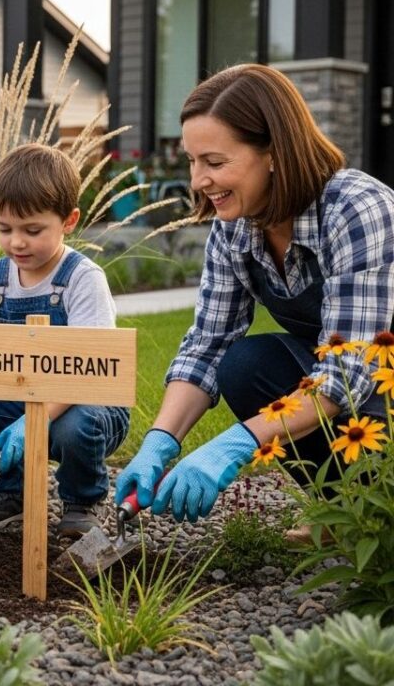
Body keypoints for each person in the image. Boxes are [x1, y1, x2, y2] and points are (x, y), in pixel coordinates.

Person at [115, 63, 394, 531]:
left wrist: (237, 443)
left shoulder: (355, 208)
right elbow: (209, 344)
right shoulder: (236, 228)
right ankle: (351, 513)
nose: (199, 180)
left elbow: (348, 374)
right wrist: (160, 442)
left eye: (215, 162)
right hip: (358, 385)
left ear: (274, 154)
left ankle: (375, 506)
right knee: (245, 365)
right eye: (192, 161)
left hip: (377, 381)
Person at [0, 143, 131, 537]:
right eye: (4, 229)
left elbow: (89, 372)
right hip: (16, 397)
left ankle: (81, 500)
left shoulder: (82, 278)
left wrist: (33, 421)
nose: (17, 242)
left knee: (78, 425)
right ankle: (10, 492)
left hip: (84, 402)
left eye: (32, 230)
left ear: (69, 220)